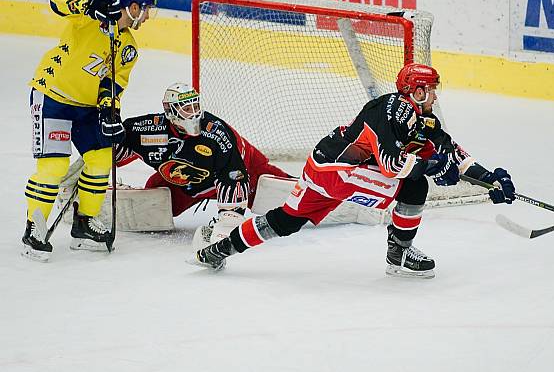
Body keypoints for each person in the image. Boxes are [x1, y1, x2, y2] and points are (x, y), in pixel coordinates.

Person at [192, 63, 517, 277]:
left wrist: (490, 179)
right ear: (417, 91)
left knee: (287, 220)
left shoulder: (421, 118)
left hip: (322, 166)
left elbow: (453, 152)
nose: (435, 95)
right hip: (340, 173)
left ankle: (219, 249)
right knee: (413, 187)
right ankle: (399, 255)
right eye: (431, 89)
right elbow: (393, 165)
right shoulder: (390, 110)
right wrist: (433, 166)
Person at [22, 0, 157, 261]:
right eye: (145, 10)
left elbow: (112, 84)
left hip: (86, 108)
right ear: (133, 7)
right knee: (54, 166)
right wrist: (90, 2)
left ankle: (84, 224)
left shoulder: (128, 48)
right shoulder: (87, 18)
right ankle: (34, 227)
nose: (146, 18)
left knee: (99, 158)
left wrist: (111, 112)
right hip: (53, 96)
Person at [115, 83, 292, 242]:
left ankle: (316, 194)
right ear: (170, 111)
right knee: (156, 201)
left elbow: (233, 173)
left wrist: (229, 218)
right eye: (186, 108)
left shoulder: (215, 133)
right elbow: (119, 148)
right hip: (191, 184)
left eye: (195, 105)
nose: (194, 112)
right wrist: (109, 140)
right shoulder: (149, 129)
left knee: (290, 197)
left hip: (248, 170)